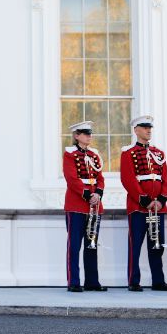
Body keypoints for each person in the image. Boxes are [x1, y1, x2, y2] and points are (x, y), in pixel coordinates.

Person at [121, 115, 167, 292]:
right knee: (135, 246)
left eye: (150, 127)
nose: (148, 130)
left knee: (157, 245)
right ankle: (133, 281)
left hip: (158, 207)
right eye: (144, 127)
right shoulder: (128, 153)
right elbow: (128, 179)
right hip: (138, 207)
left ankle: (158, 281)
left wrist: (161, 200)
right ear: (136, 130)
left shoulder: (159, 153)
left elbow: (165, 179)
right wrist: (145, 200)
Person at [62, 121, 107, 292]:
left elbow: (100, 178)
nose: (89, 136)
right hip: (77, 204)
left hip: (94, 205)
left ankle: (92, 282)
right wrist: (88, 195)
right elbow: (72, 179)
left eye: (90, 133)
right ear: (76, 136)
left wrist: (98, 194)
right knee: (74, 246)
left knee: (91, 244)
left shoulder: (94, 155)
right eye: (85, 133)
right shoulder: (70, 154)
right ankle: (73, 282)